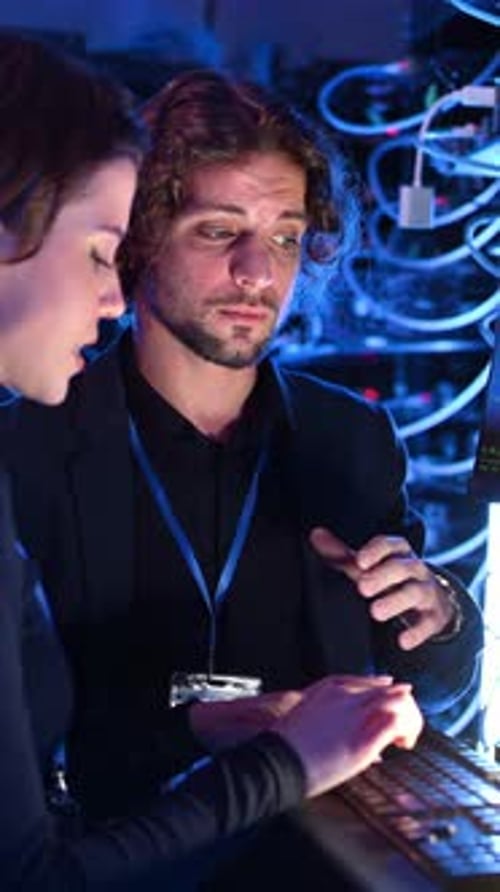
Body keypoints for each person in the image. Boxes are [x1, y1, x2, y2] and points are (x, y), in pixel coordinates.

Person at [0, 34, 425, 891]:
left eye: (285, 237)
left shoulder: (351, 441)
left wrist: (442, 614)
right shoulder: (29, 438)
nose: (256, 271)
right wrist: (276, 757)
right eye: (219, 230)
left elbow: (414, 680)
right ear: (139, 240)